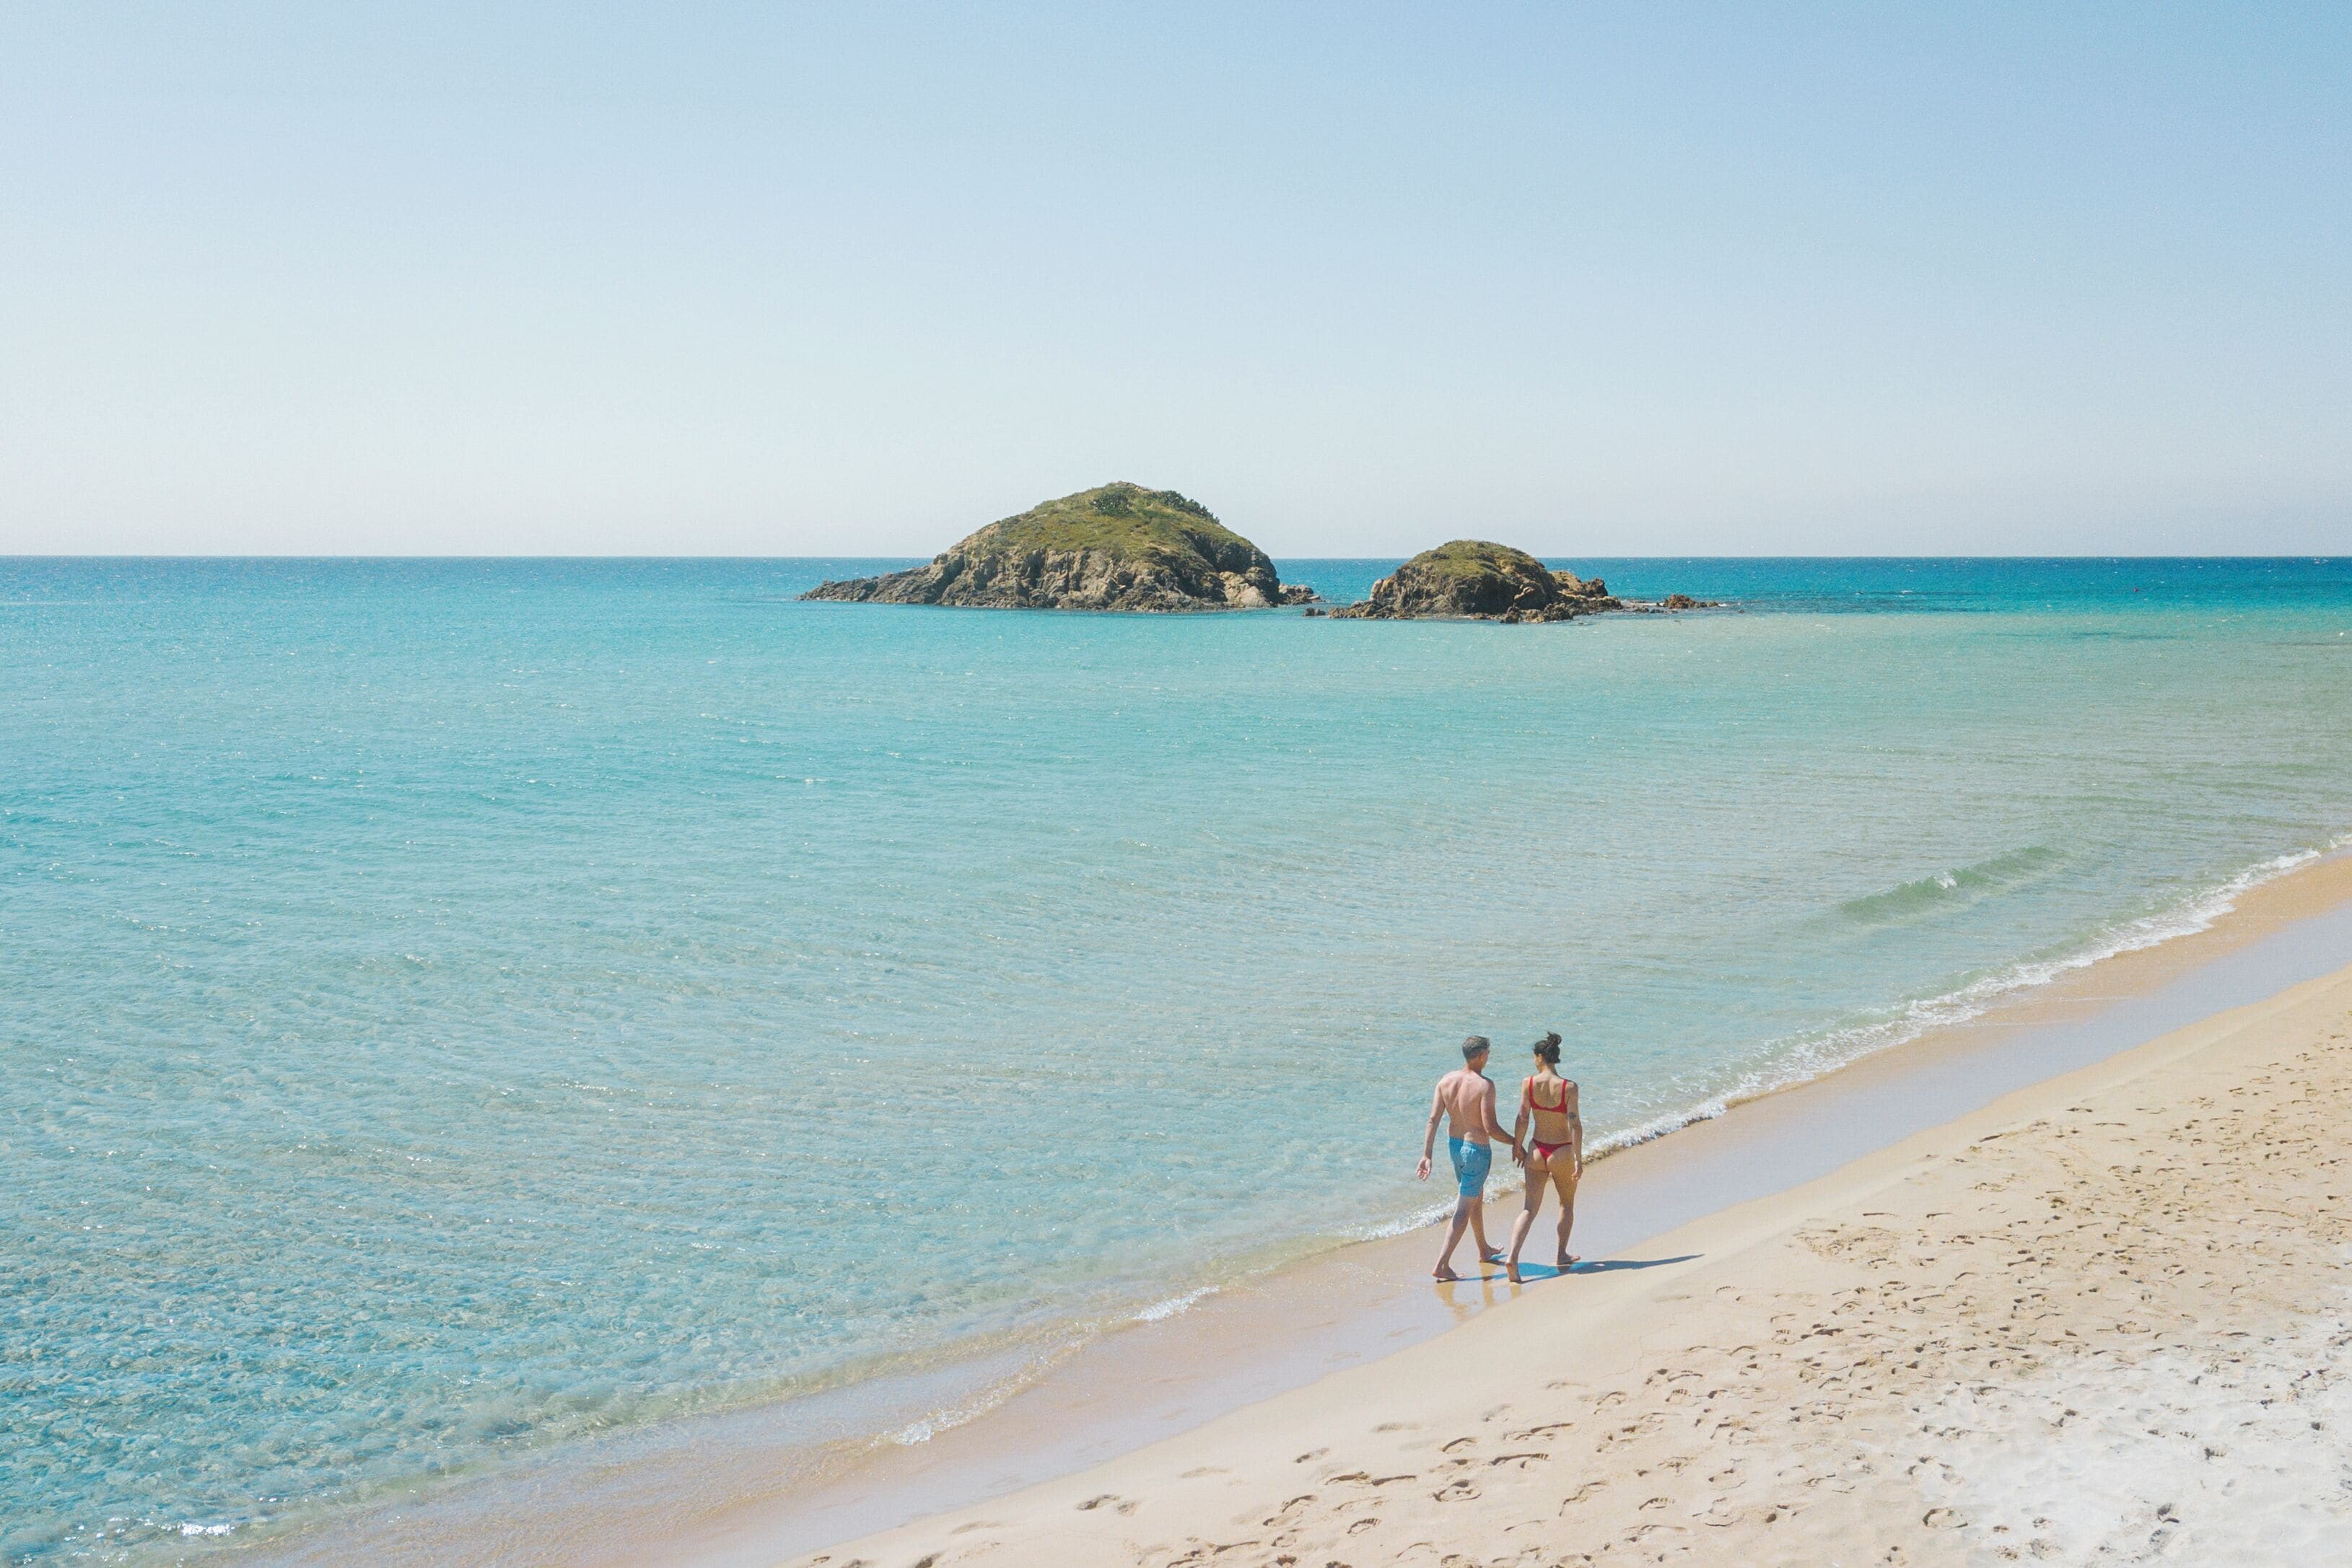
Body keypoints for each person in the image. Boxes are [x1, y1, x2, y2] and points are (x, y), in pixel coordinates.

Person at [1417, 1035, 1522, 1280]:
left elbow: (1433, 1119)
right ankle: (1442, 1264)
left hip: (1455, 1146)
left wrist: (1426, 1155)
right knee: (1464, 1208)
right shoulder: (1485, 1085)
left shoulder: (1446, 1080)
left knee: (1474, 1196)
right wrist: (1516, 1142)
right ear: (1482, 1056)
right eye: (1488, 1054)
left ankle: (1483, 1248)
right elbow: (1490, 1128)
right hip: (1476, 1151)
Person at [1504, 1031, 1582, 1284]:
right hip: (1561, 1151)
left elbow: (1523, 1117)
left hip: (1537, 1150)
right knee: (1566, 1204)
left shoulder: (1528, 1083)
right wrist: (1579, 1158)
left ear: (1539, 1057)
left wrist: (1517, 1146)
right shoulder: (1568, 1087)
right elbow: (1575, 1125)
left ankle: (1513, 1258)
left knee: (1529, 1209)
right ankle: (1561, 1254)